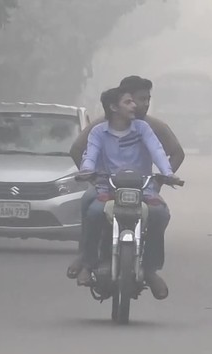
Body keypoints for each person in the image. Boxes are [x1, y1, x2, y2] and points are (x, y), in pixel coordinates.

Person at [67, 76, 185, 280]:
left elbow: (168, 153)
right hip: (106, 184)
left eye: (147, 99)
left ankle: (150, 269)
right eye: (137, 99)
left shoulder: (150, 127)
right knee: (90, 205)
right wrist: (90, 176)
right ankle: (86, 259)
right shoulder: (100, 128)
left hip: (142, 186)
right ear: (116, 104)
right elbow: (79, 150)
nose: (143, 104)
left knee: (160, 214)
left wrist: (163, 178)